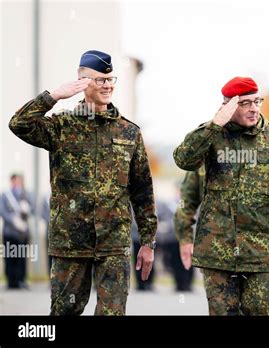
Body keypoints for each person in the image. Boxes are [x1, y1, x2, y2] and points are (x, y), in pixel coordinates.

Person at [8, 50, 158, 315]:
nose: (108, 85)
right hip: (71, 243)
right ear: (82, 82)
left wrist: (148, 241)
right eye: (100, 80)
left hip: (114, 243)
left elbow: (142, 190)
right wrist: (52, 96)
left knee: (112, 313)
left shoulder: (129, 132)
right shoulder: (62, 126)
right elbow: (19, 124)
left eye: (111, 79)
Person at [173, 76, 269, 315]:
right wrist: (214, 125)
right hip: (217, 251)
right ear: (228, 105)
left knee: (261, 311)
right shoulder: (212, 136)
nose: (254, 108)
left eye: (257, 101)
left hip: (259, 250)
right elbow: (183, 160)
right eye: (245, 103)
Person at [0, 174, 33, 289]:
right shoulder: (5, 195)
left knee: (21, 257)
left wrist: (27, 207)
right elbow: (2, 211)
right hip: (9, 232)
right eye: (15, 181)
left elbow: (31, 209)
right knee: (9, 256)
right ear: (11, 181)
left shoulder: (26, 194)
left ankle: (21, 280)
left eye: (19, 181)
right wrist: (13, 221)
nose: (17, 183)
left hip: (22, 233)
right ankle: (11, 281)